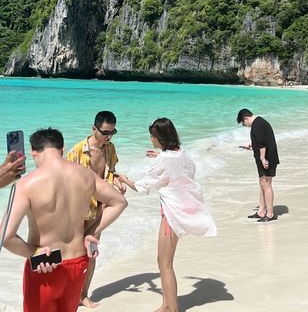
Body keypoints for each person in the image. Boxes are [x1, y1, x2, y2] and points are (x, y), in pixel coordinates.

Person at [2, 128, 127, 312]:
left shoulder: (26, 184)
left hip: (45, 266)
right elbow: (119, 202)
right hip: (79, 262)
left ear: (33, 152)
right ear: (62, 149)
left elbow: (5, 236)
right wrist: (90, 233)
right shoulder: (86, 175)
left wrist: (33, 252)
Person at [119, 118, 216, 312]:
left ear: (160, 138)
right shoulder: (181, 153)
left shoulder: (164, 160)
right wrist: (160, 157)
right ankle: (166, 304)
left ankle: (172, 308)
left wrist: (124, 179)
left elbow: (142, 187)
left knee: (165, 264)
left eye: (153, 136)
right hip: (183, 209)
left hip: (172, 214)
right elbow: (185, 170)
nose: (151, 139)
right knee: (164, 262)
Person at [67, 110, 126, 309]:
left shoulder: (110, 149)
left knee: (91, 253)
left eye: (113, 132)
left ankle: (83, 296)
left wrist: (117, 181)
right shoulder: (77, 151)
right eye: (105, 132)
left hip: (100, 209)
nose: (109, 136)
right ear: (94, 129)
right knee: (74, 254)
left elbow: (112, 172)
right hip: (78, 210)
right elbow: (64, 182)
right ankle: (69, 295)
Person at [237, 109, 280, 221]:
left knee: (266, 184)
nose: (245, 126)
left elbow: (262, 143)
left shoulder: (257, 125)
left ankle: (270, 214)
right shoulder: (259, 122)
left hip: (267, 158)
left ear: (245, 118)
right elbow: (261, 141)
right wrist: (252, 146)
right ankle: (261, 211)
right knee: (263, 184)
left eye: (243, 123)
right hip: (267, 157)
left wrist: (262, 157)